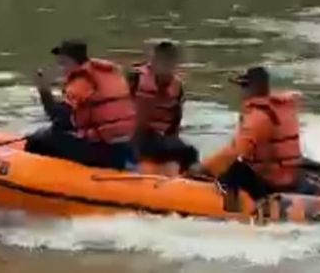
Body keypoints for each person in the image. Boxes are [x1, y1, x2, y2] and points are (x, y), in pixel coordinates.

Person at [189, 66, 303, 201]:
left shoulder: (257, 118)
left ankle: (230, 206)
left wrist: (204, 167)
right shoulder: (283, 109)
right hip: (289, 178)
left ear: (251, 89)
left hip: (270, 184)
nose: (240, 93)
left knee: (235, 169)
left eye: (243, 87)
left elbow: (235, 153)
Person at [24, 39, 137, 170]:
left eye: (62, 64)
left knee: (39, 140)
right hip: (127, 145)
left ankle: (39, 179)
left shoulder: (81, 81)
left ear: (69, 61)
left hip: (105, 151)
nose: (61, 69)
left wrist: (43, 90)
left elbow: (60, 120)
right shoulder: (109, 73)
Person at [127, 40, 199, 170]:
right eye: (161, 62)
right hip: (134, 135)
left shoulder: (177, 87)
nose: (165, 68)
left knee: (190, 152)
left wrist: (173, 144)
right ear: (154, 61)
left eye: (169, 63)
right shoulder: (136, 79)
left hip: (158, 138)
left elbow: (175, 122)